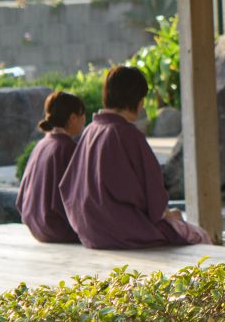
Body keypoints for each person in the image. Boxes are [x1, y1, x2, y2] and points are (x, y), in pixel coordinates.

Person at [59, 65, 211, 249]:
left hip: (91, 232)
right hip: (123, 232)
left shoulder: (90, 131)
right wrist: (170, 215)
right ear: (136, 100)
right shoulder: (126, 133)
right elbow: (154, 194)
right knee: (199, 235)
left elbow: (68, 186)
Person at [17, 90, 85, 244]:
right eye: (82, 115)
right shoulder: (68, 148)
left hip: (36, 227)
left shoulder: (41, 144)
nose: (84, 120)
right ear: (73, 118)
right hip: (59, 229)